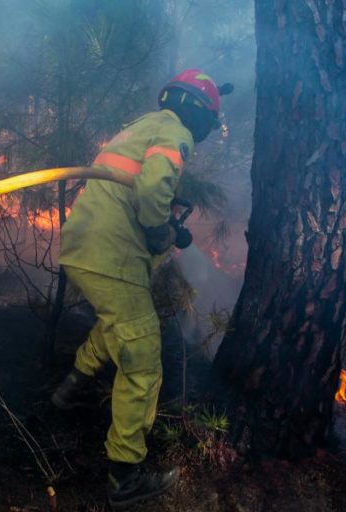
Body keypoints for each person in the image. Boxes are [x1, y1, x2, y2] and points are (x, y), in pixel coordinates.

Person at [51, 69, 229, 509]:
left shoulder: (142, 127)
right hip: (111, 254)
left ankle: (69, 390)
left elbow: (137, 187)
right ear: (200, 114)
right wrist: (156, 231)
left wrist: (168, 228)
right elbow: (152, 186)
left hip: (87, 247)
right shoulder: (174, 131)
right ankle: (124, 478)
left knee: (118, 322)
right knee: (144, 357)